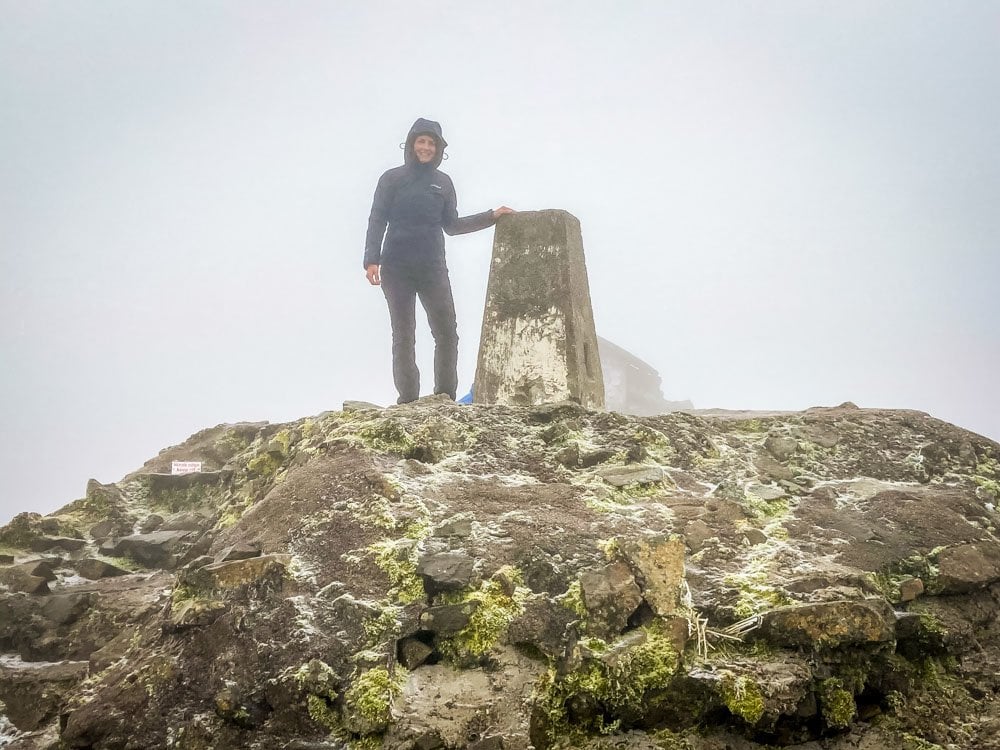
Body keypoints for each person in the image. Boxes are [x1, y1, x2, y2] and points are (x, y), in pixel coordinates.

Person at [364, 118, 514, 404]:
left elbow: (452, 225)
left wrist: (491, 216)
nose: (426, 147)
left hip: (433, 267)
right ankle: (407, 399)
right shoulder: (391, 179)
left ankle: (444, 397)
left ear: (438, 148)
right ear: (411, 144)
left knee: (447, 333)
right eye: (421, 141)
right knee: (404, 334)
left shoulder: (443, 183)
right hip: (396, 267)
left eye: (431, 143)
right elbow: (377, 218)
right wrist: (371, 260)